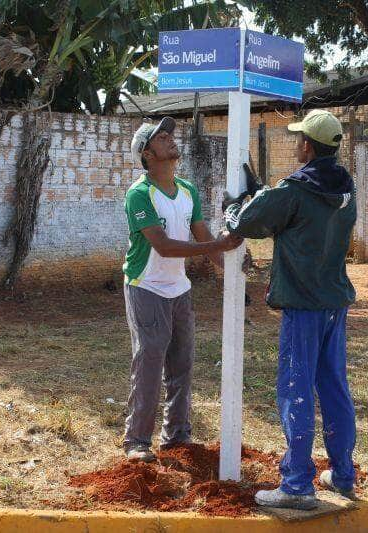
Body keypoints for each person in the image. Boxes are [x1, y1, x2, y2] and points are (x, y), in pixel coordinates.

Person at [224, 109, 357, 510]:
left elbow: (247, 222)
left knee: (296, 390)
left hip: (303, 305)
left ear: (309, 146)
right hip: (334, 303)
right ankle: (344, 475)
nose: (295, 142)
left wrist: (237, 205)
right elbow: (298, 214)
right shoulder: (344, 189)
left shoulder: (295, 189)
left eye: (299, 138)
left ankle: (297, 485)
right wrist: (265, 192)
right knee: (334, 387)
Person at [122, 117, 243, 462]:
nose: (170, 140)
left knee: (182, 363)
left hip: (178, 289)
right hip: (146, 287)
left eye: (170, 136)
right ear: (147, 154)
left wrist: (231, 269)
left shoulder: (187, 190)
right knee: (149, 360)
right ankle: (137, 442)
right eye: (161, 138)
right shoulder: (140, 194)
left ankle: (176, 436)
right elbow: (164, 246)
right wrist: (214, 248)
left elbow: (204, 236)